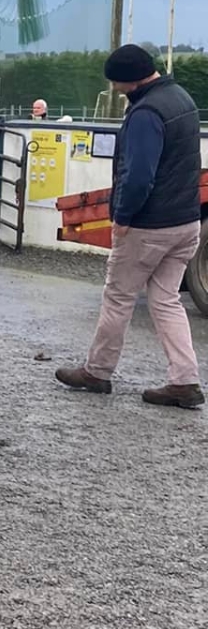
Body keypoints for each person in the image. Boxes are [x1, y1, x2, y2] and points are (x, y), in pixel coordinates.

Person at [56, 43, 204, 409]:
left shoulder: (145, 113)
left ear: (130, 80)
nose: (117, 91)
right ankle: (185, 381)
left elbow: (138, 176)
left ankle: (97, 372)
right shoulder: (181, 98)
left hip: (149, 225)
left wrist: (121, 217)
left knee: (118, 296)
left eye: (117, 84)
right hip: (186, 223)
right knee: (167, 299)